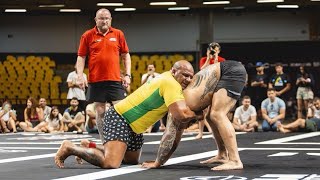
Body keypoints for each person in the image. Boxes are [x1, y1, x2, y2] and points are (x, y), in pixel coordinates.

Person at [54, 60, 202, 169]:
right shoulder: (171, 83)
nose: (188, 80)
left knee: (130, 160)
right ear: (174, 71)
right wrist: (201, 112)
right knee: (111, 163)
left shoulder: (168, 78)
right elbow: (180, 115)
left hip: (135, 127)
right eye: (185, 75)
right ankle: (70, 148)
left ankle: (89, 146)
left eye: (191, 77)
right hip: (121, 117)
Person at [142, 60, 247, 171]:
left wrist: (158, 162)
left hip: (230, 72)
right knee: (211, 116)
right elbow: (177, 133)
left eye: (189, 76)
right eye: (185, 76)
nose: (188, 80)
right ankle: (222, 154)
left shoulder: (179, 104)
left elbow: (170, 136)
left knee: (217, 114)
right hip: (228, 70)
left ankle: (235, 160)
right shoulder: (184, 97)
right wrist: (197, 116)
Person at [75, 8, 131, 142]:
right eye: (101, 18)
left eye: (107, 18)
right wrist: (80, 75)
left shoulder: (118, 34)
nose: (104, 21)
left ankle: (122, 140)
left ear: (110, 20)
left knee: (121, 110)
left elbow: (126, 55)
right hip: (96, 80)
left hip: (114, 80)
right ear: (96, 20)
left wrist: (128, 74)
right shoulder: (87, 35)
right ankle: (104, 141)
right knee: (100, 112)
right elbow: (81, 57)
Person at [196, 42, 225, 139]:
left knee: (214, 111)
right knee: (202, 110)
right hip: (205, 86)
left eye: (215, 50)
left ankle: (215, 132)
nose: (213, 51)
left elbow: (218, 70)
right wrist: (208, 58)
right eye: (212, 49)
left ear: (219, 51)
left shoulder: (222, 60)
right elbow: (202, 69)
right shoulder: (204, 59)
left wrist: (216, 58)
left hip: (216, 86)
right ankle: (200, 133)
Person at [141, 64, 163, 133]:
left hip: (156, 95)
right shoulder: (145, 75)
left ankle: (162, 125)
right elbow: (142, 84)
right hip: (147, 96)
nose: (150, 69)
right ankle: (146, 126)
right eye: (149, 68)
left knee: (159, 110)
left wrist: (153, 76)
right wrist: (148, 76)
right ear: (147, 68)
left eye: (152, 67)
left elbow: (160, 84)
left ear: (154, 68)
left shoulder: (158, 75)